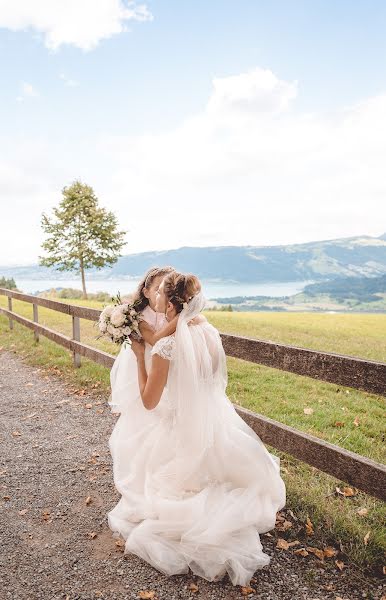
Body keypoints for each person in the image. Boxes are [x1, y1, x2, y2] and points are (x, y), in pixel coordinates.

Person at [107, 271, 286, 587]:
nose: (156, 297)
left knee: (160, 485)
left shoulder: (165, 348)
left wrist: (138, 357)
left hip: (180, 429)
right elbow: (210, 381)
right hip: (214, 424)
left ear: (171, 303)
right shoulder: (208, 331)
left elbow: (149, 402)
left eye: (161, 292)